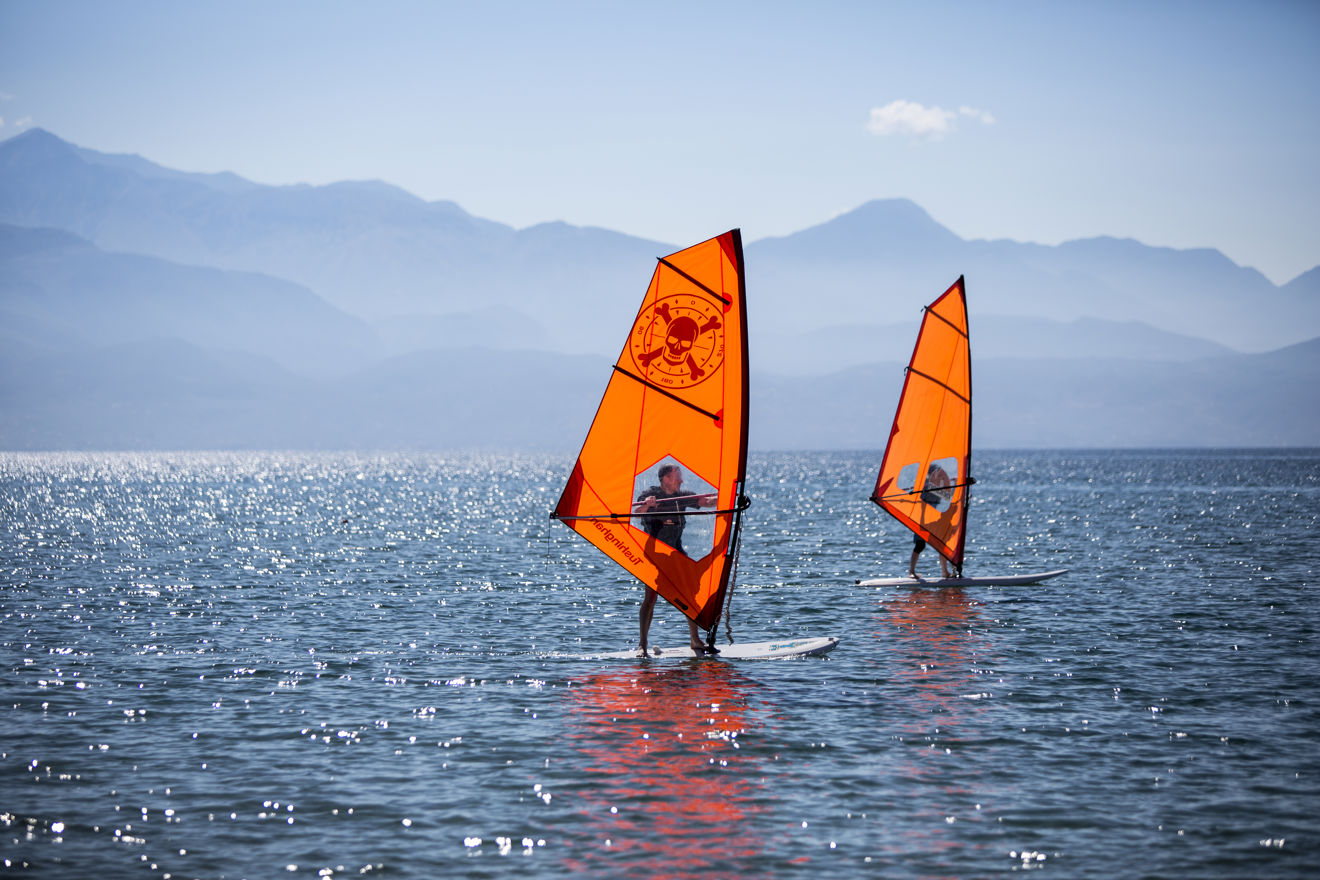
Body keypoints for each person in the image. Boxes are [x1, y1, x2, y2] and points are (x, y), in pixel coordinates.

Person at [632, 463, 716, 655]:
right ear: (666, 479)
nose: (681, 480)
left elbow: (707, 502)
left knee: (690, 595)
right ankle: (642, 644)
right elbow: (636, 514)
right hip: (655, 554)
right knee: (650, 598)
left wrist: (727, 496)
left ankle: (695, 640)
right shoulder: (651, 494)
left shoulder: (682, 495)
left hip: (676, 552)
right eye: (677, 476)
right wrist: (647, 505)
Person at [909, 463, 953, 579]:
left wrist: (953, 483)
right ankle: (911, 572)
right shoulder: (927, 486)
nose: (941, 475)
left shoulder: (936, 486)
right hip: (923, 519)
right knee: (920, 545)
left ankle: (945, 572)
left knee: (941, 545)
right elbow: (945, 494)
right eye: (938, 473)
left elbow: (947, 495)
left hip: (932, 517)